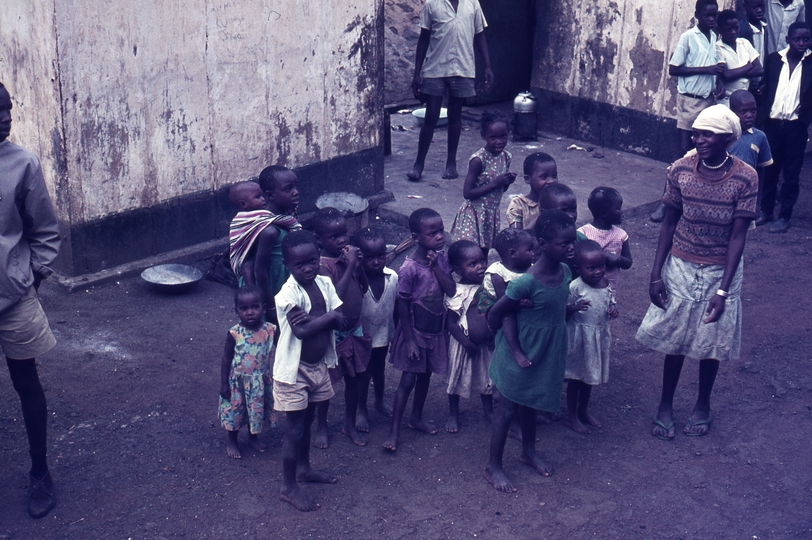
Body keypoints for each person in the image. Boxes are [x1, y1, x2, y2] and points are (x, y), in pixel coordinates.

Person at [636, 105, 756, 441]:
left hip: (723, 268)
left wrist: (723, 291)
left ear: (727, 139)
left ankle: (703, 403)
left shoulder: (746, 176)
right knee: (675, 335)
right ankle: (665, 404)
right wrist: (655, 274)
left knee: (711, 340)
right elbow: (669, 223)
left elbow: (738, 236)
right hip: (682, 263)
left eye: (708, 134)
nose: (698, 139)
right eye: (696, 133)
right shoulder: (679, 170)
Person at [483, 210, 587, 493]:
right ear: (542, 243)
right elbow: (495, 313)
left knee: (531, 402)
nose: (571, 248)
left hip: (547, 350)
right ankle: (493, 466)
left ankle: (528, 452)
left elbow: (552, 309)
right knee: (506, 409)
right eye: (564, 244)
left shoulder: (565, 272)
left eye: (572, 242)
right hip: (519, 352)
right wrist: (506, 346)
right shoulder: (525, 282)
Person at [0, 81, 61, 519]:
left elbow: (43, 229)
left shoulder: (22, 163)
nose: (5, 118)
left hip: (13, 296)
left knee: (26, 383)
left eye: (7, 109)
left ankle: (40, 471)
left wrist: (33, 275)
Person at [273, 230, 345, 511]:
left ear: (319, 259)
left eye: (312, 261)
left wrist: (322, 319)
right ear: (287, 266)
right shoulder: (287, 294)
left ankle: (303, 469)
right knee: (295, 429)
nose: (307, 269)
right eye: (299, 265)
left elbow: (341, 318)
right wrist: (326, 317)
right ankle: (288, 487)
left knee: (309, 420)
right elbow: (301, 331)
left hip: (318, 366)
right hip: (295, 371)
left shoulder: (325, 283)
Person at [382, 208, 456, 452]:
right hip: (414, 333)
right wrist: (410, 340)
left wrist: (436, 267)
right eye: (432, 233)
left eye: (440, 230)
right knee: (408, 380)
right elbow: (402, 305)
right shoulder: (409, 269)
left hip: (435, 330)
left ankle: (416, 418)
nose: (439, 236)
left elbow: (451, 290)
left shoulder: (441, 258)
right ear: (416, 237)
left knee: (425, 376)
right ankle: (394, 431)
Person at [407, 0, 494, 181]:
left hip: (463, 68)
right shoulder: (432, 4)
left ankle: (451, 163)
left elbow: (480, 35)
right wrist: (417, 73)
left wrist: (487, 66)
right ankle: (419, 164)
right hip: (435, 68)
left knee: (455, 116)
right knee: (431, 116)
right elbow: (424, 38)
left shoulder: (472, 3)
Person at [652, 0, 723, 222]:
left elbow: (715, 65)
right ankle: (666, 202)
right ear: (697, 15)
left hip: (708, 100)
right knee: (683, 150)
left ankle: (693, 200)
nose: (712, 19)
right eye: (708, 15)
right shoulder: (688, 37)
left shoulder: (714, 37)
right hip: (689, 101)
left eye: (715, 15)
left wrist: (717, 80)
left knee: (705, 151)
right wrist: (706, 70)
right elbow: (674, 68)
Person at [312, 208, 371, 448]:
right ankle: (322, 426)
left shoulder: (348, 260)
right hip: (333, 335)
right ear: (320, 240)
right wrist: (349, 267)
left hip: (354, 329)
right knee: (325, 384)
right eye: (334, 237)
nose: (342, 240)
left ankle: (348, 423)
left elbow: (364, 288)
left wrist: (358, 268)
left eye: (344, 234)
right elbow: (333, 298)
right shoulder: (323, 266)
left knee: (354, 378)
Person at [756, 22, 812, 233]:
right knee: (770, 169)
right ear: (788, 39)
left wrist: (804, 120)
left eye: (805, 39)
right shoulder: (774, 59)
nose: (801, 43)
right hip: (773, 125)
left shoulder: (810, 63)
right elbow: (767, 87)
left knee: (791, 174)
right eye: (797, 39)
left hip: (795, 126)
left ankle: (785, 215)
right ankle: (766, 210)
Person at [564, 241, 618, 434]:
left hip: (598, 337)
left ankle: (583, 411)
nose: (598, 271)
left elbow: (610, 301)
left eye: (601, 266)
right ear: (578, 268)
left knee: (589, 377)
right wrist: (573, 308)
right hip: (579, 340)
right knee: (576, 379)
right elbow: (563, 313)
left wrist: (613, 309)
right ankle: (571, 416)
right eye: (591, 268)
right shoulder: (575, 287)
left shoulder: (606, 284)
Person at [237, 166, 302, 322]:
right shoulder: (269, 230)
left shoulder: (286, 217)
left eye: (295, 186)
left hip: (284, 277)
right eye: (288, 189)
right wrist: (270, 306)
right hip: (271, 285)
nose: (295, 192)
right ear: (270, 195)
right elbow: (260, 271)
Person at [450, 111, 517, 256]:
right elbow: (467, 193)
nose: (499, 141)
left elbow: (500, 190)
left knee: (483, 253)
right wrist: (496, 183)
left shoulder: (506, 157)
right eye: (493, 137)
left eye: (503, 136)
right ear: (483, 136)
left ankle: (480, 278)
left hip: (490, 214)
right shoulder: (478, 160)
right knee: (469, 253)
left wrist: (507, 182)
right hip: (474, 214)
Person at [219, 285, 275, 459]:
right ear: (237, 311)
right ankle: (232, 441)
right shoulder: (234, 333)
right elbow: (226, 359)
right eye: (244, 309)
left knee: (255, 411)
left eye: (254, 307)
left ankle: (253, 438)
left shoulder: (269, 330)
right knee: (235, 412)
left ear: (263, 308)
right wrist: (223, 383)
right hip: (238, 383)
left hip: (259, 383)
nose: (249, 312)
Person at [444, 240, 493, 433]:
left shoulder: (487, 285)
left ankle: (488, 410)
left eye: (482, 261)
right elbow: (451, 324)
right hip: (462, 344)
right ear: (458, 269)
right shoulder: (457, 292)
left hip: (484, 344)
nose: (480, 267)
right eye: (473, 264)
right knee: (456, 377)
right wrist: (466, 343)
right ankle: (453, 414)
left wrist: (492, 333)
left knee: (486, 378)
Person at [353, 227, 396, 431]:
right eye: (370, 257)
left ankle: (379, 400)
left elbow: (395, 307)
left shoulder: (392, 277)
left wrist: (396, 334)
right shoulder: (355, 280)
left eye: (381, 256)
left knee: (380, 369)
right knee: (363, 373)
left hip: (383, 333)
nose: (377, 261)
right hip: (362, 336)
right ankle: (361, 409)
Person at [578, 187, 633, 295]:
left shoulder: (621, 235)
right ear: (604, 213)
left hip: (610, 289)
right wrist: (604, 256)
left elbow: (628, 263)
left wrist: (617, 259)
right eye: (618, 208)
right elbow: (576, 260)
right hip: (585, 289)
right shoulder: (583, 233)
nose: (622, 211)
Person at [728, 90, 773, 213]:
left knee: (741, 228)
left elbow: (761, 169)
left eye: (753, 111)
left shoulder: (759, 137)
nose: (749, 115)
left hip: (747, 195)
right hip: (723, 192)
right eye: (743, 112)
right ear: (732, 112)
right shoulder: (723, 135)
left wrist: (758, 200)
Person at [716, 9, 763, 107]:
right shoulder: (717, 48)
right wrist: (749, 66)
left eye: (736, 28)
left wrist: (735, 73)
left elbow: (759, 70)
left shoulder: (744, 43)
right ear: (719, 30)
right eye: (728, 29)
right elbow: (726, 75)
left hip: (745, 99)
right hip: (726, 100)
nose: (733, 32)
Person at [506, 152, 558, 231]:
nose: (551, 181)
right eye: (544, 177)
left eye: (554, 176)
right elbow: (517, 237)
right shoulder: (518, 204)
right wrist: (542, 215)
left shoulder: (558, 200)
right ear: (527, 179)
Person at [739, 0, 769, 87]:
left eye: (762, 6)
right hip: (747, 83)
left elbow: (764, 54)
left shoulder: (764, 26)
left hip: (761, 80)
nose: (759, 10)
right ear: (745, 7)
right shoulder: (741, 29)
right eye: (755, 7)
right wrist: (753, 83)